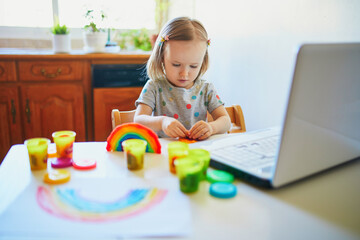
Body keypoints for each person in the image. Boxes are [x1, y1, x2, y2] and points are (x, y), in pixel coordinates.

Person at [134, 17, 231, 140]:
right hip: (165, 152)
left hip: (197, 152)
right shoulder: (154, 87)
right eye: (176, 64)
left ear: (203, 62)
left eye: (193, 66)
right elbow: (138, 120)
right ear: (162, 57)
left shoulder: (206, 89)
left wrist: (212, 128)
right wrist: (162, 122)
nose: (184, 74)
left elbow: (226, 121)